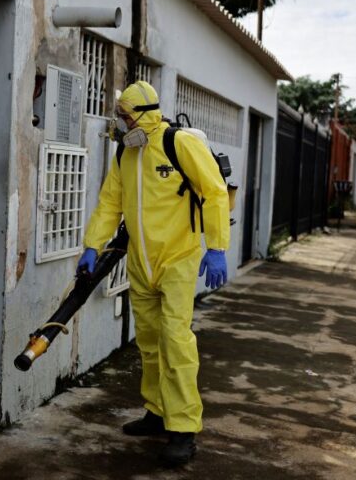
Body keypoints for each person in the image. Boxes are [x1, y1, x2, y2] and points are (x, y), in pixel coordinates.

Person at [77, 81, 229, 466]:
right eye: (119, 116)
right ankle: (157, 411)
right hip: (141, 263)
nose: (120, 123)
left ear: (142, 115)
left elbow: (214, 191)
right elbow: (110, 202)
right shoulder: (126, 153)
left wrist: (216, 247)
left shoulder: (180, 144)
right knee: (147, 341)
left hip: (178, 259)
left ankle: (184, 428)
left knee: (176, 343)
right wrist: (92, 245)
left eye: (124, 116)